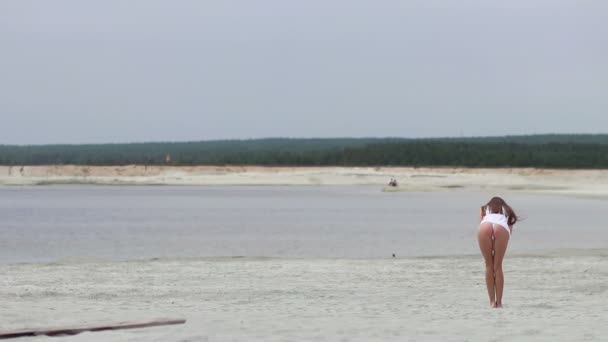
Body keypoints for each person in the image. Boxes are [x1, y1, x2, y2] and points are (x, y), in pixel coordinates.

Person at [477, 196, 518, 308]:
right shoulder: (507, 209)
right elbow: (509, 229)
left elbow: (481, 222)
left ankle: (491, 302)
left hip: (485, 227)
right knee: (498, 266)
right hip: (501, 228)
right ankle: (499, 302)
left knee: (488, 265)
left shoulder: (483, 209)